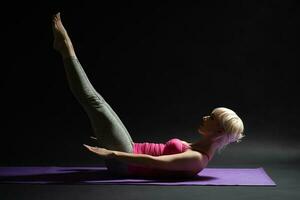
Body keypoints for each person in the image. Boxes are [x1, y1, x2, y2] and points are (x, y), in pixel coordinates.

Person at [52, 12, 245, 179]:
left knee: (93, 101)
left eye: (211, 118)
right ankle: (65, 48)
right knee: (97, 101)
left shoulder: (197, 159)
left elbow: (153, 161)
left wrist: (111, 152)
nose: (205, 117)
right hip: (129, 147)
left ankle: (66, 48)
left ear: (219, 131)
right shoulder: (198, 148)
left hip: (124, 162)